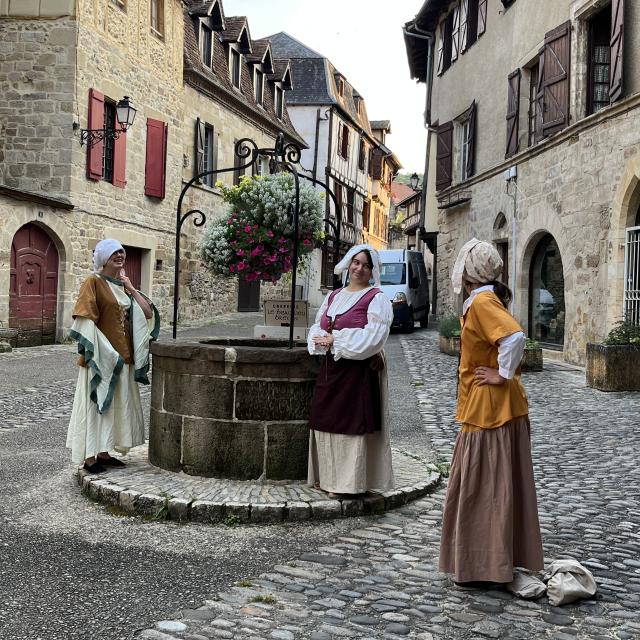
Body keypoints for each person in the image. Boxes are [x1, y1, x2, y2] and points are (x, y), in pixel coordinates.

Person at [439, 238, 544, 585]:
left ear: (468, 274)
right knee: (494, 485)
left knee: (485, 486)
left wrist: (501, 373)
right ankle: (490, 561)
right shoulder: (484, 300)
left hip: (490, 410)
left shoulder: (483, 301)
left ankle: (485, 565)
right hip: (493, 406)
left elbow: (514, 337)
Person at [307, 244, 394, 497]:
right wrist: (319, 339)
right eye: (356, 262)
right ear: (348, 263)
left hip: (357, 373)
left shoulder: (376, 298)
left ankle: (348, 484)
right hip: (330, 369)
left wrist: (337, 340)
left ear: (372, 270)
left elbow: (375, 337)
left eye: (366, 265)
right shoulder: (334, 296)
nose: (359, 268)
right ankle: (327, 478)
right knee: (325, 420)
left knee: (350, 423)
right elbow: (317, 325)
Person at [66, 239, 160, 474]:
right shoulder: (93, 282)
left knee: (116, 407)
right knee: (95, 405)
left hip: (123, 360)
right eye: (114, 252)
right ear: (103, 258)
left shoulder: (121, 286)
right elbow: (84, 319)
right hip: (100, 359)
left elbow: (147, 313)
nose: (119, 255)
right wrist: (103, 352)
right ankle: (89, 458)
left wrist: (130, 286)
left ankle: (104, 453)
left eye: (121, 252)